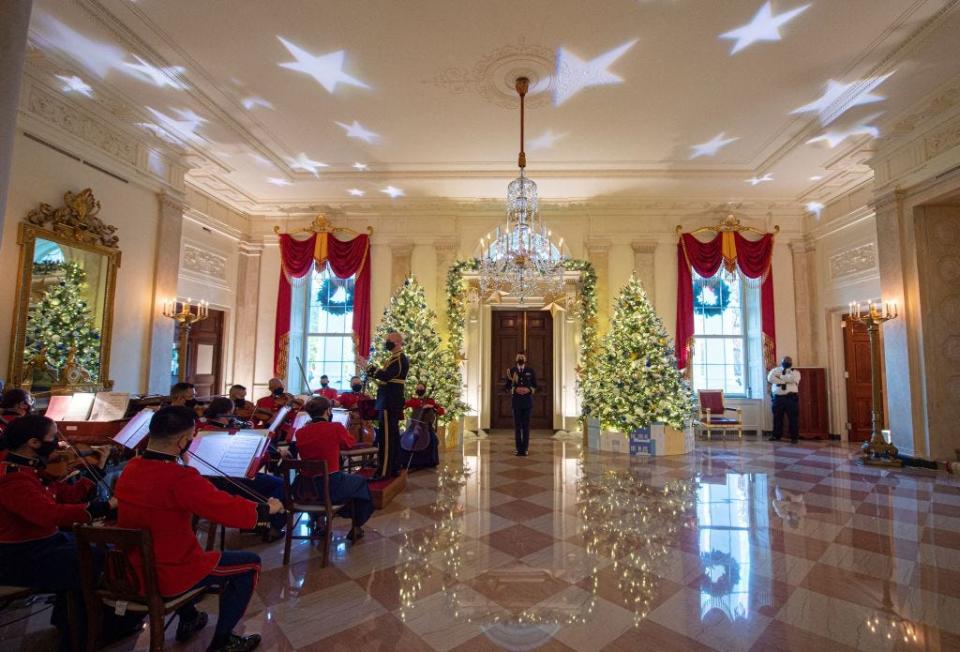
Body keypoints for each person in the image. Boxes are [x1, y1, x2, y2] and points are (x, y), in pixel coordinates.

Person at [115, 406, 283, 652]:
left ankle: (190, 616)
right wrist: (266, 510)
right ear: (183, 441)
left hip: (129, 569)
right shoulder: (180, 477)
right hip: (168, 572)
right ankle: (223, 641)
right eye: (191, 436)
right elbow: (223, 508)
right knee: (250, 564)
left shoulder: (131, 468)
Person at [0, 415, 140, 650]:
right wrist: (103, 507)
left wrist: (96, 472)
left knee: (98, 548)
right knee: (91, 559)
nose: (59, 444)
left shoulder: (26, 466)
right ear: (33, 443)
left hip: (41, 543)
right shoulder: (13, 478)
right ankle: (80, 635)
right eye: (53, 437)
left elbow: (62, 493)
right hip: (19, 555)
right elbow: (49, 514)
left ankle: (72, 621)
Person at [197, 398, 286, 541]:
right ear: (225, 414)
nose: (235, 417)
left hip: (210, 482)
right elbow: (251, 465)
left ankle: (257, 520)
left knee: (269, 483)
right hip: (230, 482)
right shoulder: (227, 433)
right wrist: (266, 453)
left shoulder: (204, 429)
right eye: (233, 413)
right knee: (280, 484)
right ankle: (271, 526)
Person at [295, 397, 374, 541]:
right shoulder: (335, 427)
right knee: (360, 483)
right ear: (328, 411)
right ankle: (356, 526)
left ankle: (320, 522)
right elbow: (349, 443)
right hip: (331, 485)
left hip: (306, 488)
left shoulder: (300, 432)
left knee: (347, 483)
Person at [367, 331, 409, 479]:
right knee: (390, 435)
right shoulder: (393, 358)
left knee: (387, 438)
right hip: (388, 400)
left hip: (389, 402)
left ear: (397, 342)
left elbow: (386, 376)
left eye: (389, 340)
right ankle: (393, 467)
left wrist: (368, 367)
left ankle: (385, 470)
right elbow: (385, 380)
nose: (386, 342)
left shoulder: (399, 359)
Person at [400, 382, 443, 470]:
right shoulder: (413, 400)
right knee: (403, 439)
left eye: (421, 388)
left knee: (433, 440)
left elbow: (441, 411)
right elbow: (403, 405)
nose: (419, 390)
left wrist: (432, 406)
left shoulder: (430, 400)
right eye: (418, 388)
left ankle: (429, 462)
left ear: (425, 389)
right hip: (414, 425)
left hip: (426, 426)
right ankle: (406, 462)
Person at [504, 352, 538, 456]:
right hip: (517, 403)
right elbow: (507, 387)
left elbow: (535, 386)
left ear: (525, 359)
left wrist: (528, 390)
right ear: (516, 358)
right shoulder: (511, 371)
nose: (521, 358)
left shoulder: (530, 371)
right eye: (519, 357)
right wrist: (515, 389)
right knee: (518, 427)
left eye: (522, 357)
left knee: (526, 426)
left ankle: (525, 449)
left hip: (527, 403)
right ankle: (519, 449)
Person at [768, 356, 801, 443]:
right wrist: (784, 381)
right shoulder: (775, 370)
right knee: (777, 418)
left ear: (791, 362)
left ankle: (794, 437)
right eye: (785, 361)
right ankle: (776, 435)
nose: (787, 362)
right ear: (781, 362)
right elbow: (770, 378)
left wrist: (780, 377)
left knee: (793, 418)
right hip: (778, 398)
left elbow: (793, 379)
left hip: (791, 398)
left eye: (788, 361)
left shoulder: (796, 372)